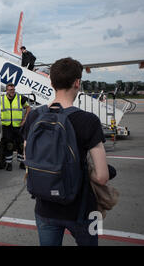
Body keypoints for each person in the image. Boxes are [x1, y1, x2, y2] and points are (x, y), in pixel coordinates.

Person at [22, 57, 109, 246]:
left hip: (44, 207)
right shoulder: (89, 121)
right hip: (83, 210)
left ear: (51, 83)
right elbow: (102, 177)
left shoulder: (34, 116)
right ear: (77, 83)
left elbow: (28, 158)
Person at [1, 83, 30, 171]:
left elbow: (28, 108)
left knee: (21, 145)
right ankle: (9, 163)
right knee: (9, 145)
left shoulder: (20, 98)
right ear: (6, 90)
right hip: (7, 126)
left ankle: (21, 162)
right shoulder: (1, 99)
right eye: (10, 90)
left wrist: (24, 120)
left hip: (18, 126)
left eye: (13, 90)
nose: (12, 91)